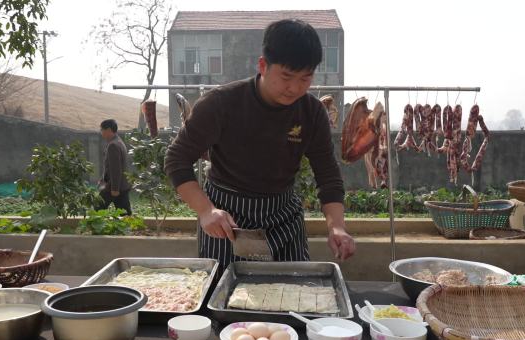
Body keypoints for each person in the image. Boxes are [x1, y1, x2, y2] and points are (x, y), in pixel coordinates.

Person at [164, 19, 355, 271]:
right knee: (224, 298)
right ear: (263, 65)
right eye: (286, 76)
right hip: (227, 219)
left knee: (295, 293)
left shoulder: (312, 112)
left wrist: (337, 227)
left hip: (282, 217)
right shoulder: (220, 103)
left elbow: (328, 175)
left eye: (305, 78)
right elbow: (176, 159)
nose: (295, 88)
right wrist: (206, 210)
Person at [97, 119, 132, 215]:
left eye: (102, 129)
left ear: (108, 130)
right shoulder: (118, 141)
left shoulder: (113, 145)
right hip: (121, 185)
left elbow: (116, 169)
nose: (101, 132)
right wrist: (102, 179)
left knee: (98, 208)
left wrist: (115, 189)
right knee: (124, 213)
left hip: (115, 186)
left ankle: (98, 228)